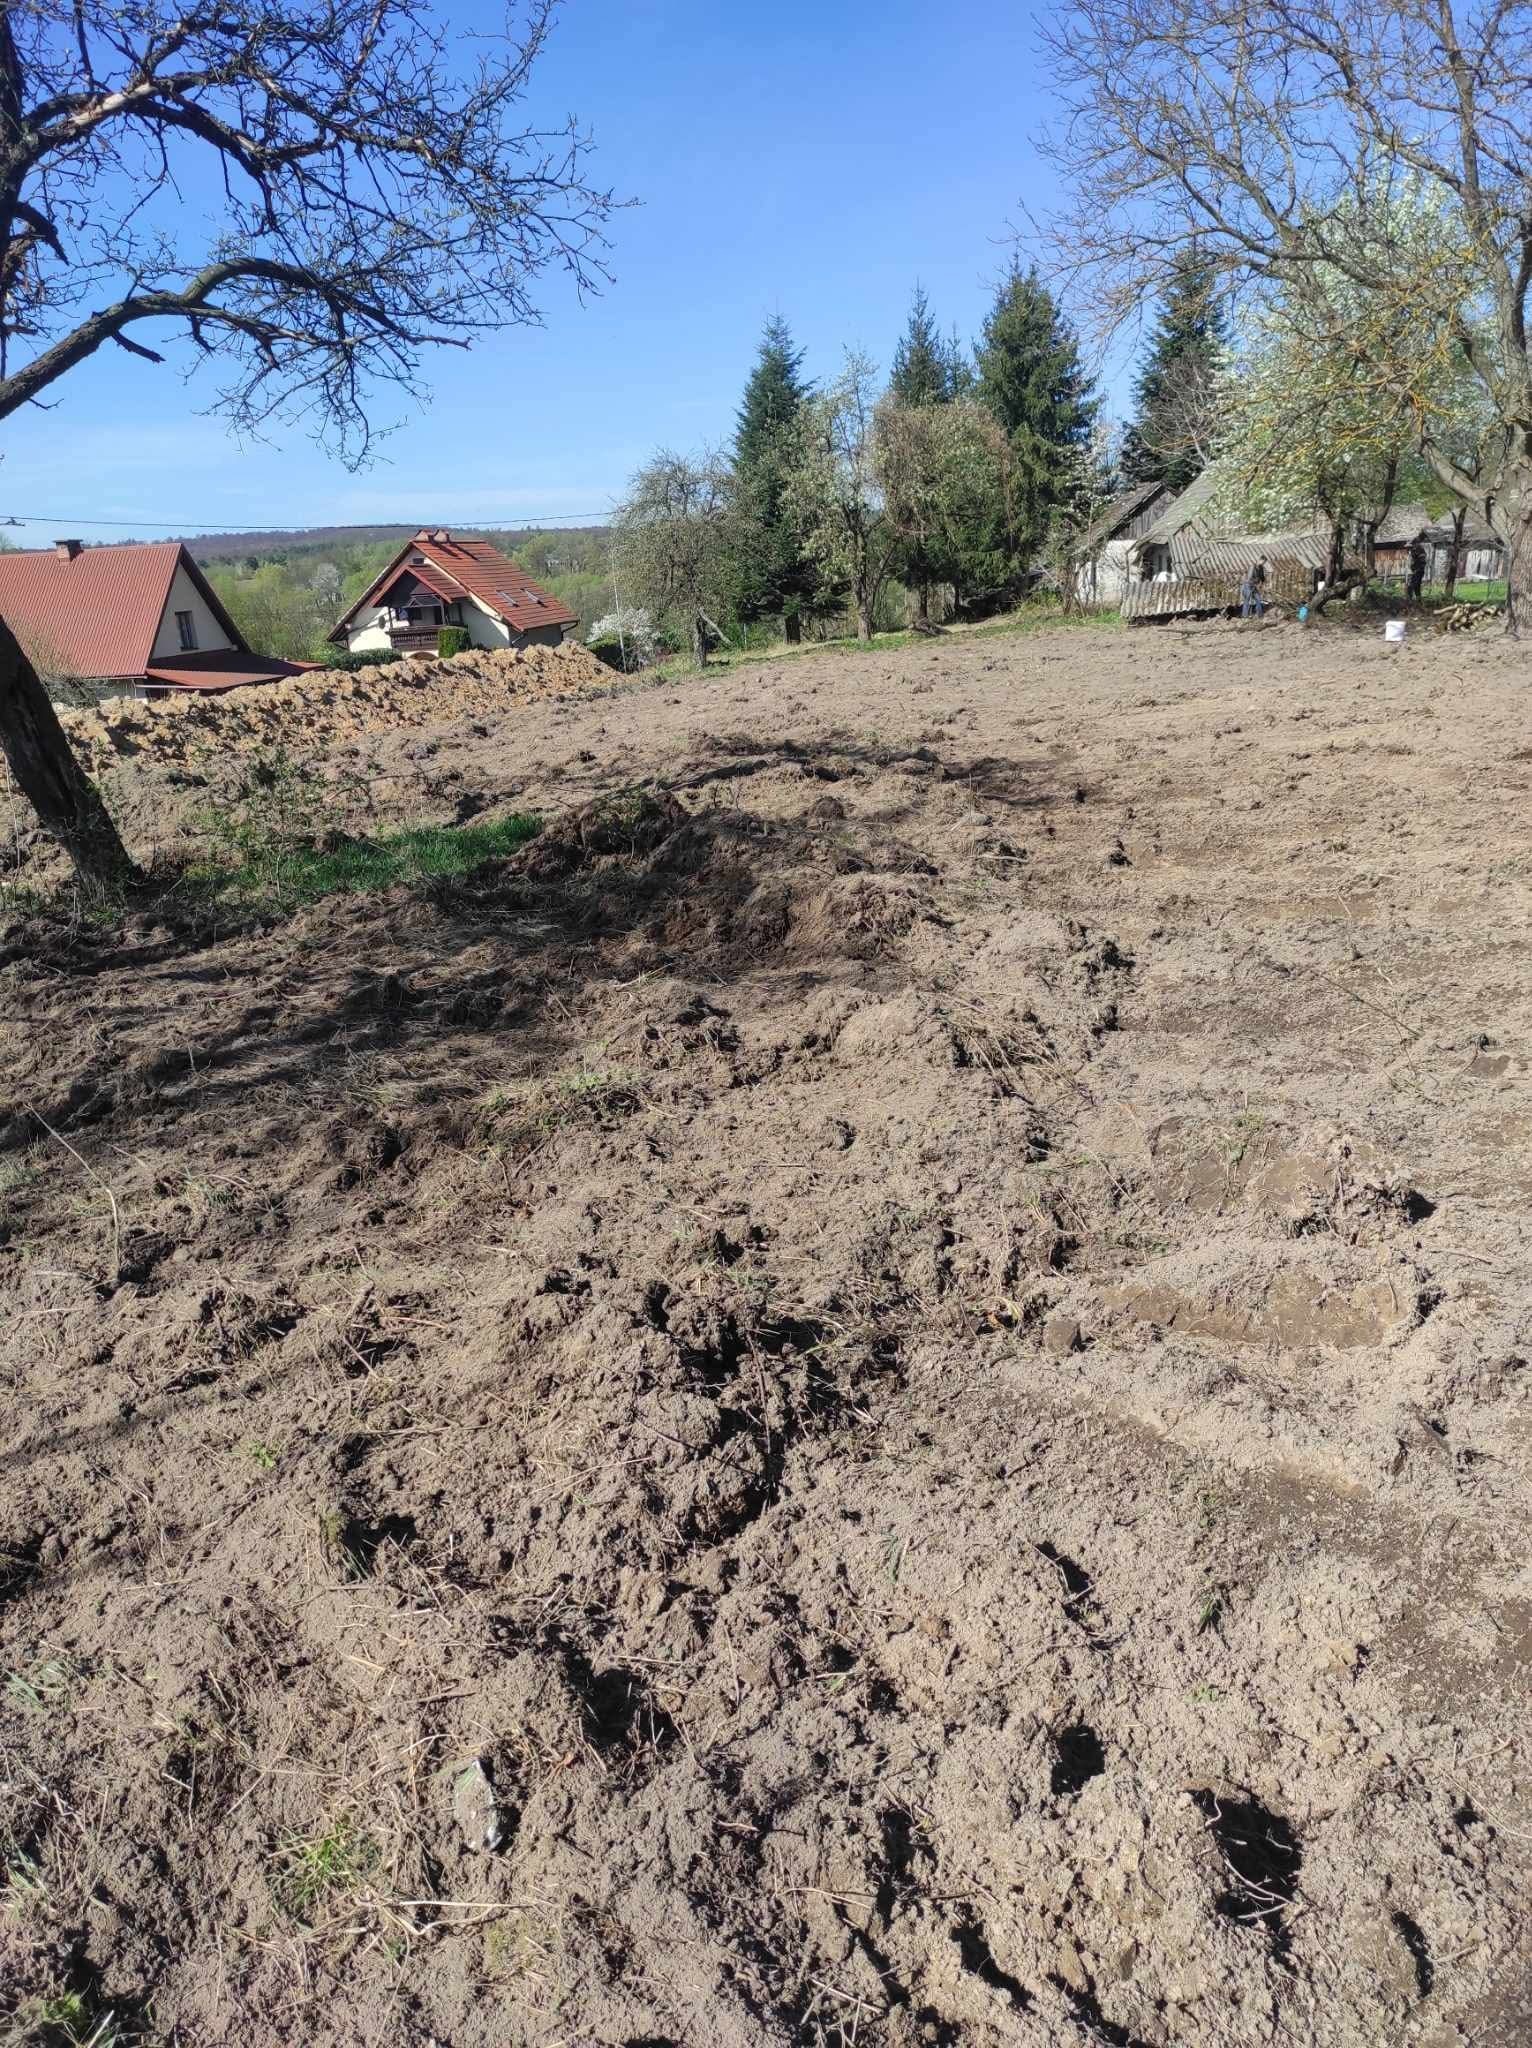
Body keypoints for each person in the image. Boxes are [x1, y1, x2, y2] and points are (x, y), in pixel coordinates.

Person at [1406, 538, 1427, 603]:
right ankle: (1418, 601)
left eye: (1410, 547)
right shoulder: (1413, 551)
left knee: (1411, 585)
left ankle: (1409, 600)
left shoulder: (1419, 550)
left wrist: (1417, 569)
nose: (1408, 549)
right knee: (1416, 586)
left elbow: (1422, 561)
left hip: (1418, 571)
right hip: (1415, 570)